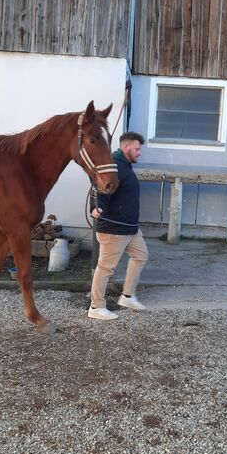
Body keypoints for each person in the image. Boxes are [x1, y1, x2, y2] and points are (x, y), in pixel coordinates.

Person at [88, 131, 148, 321]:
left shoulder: (125, 166)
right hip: (113, 230)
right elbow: (100, 190)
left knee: (141, 256)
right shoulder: (115, 167)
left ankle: (127, 296)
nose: (139, 153)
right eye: (137, 149)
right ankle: (96, 307)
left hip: (130, 228)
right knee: (105, 268)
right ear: (126, 147)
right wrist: (96, 208)